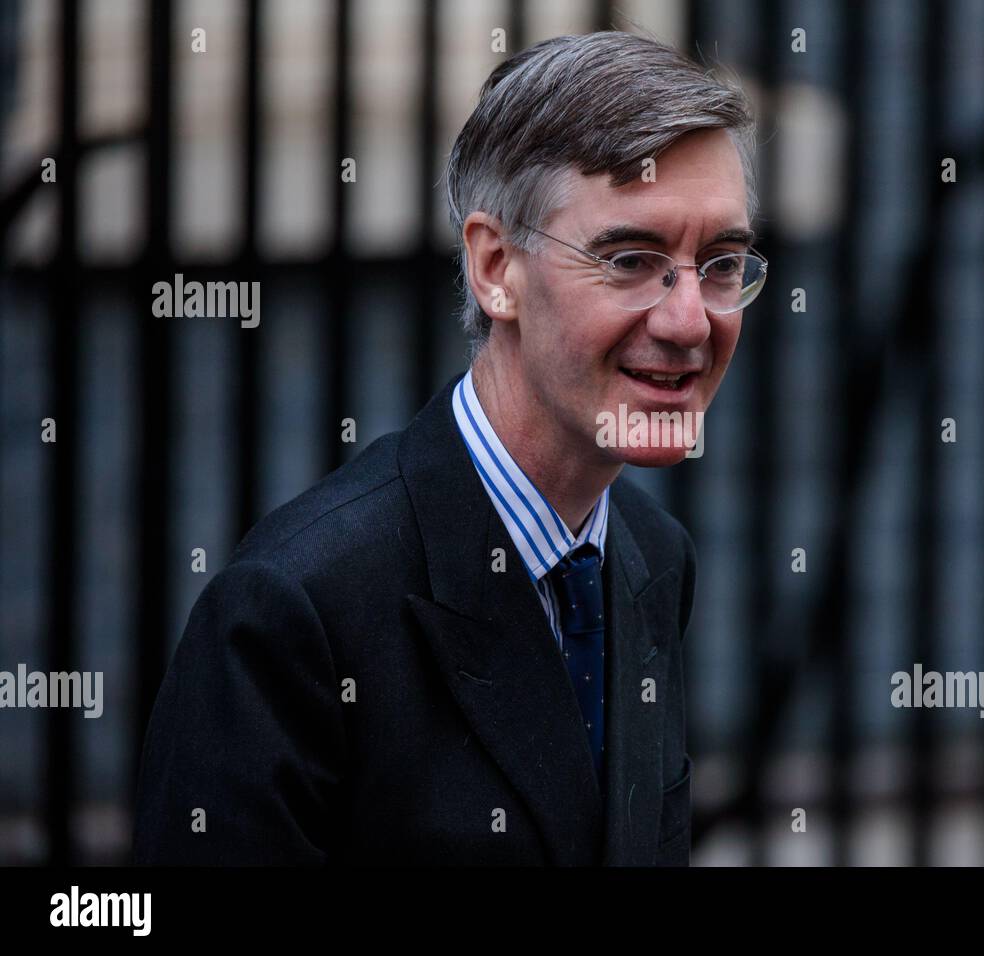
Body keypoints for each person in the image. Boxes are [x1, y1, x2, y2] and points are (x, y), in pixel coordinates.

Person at [132, 30, 764, 866]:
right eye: (632, 260)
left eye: (720, 263)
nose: (690, 321)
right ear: (496, 267)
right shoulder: (296, 612)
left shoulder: (651, 558)